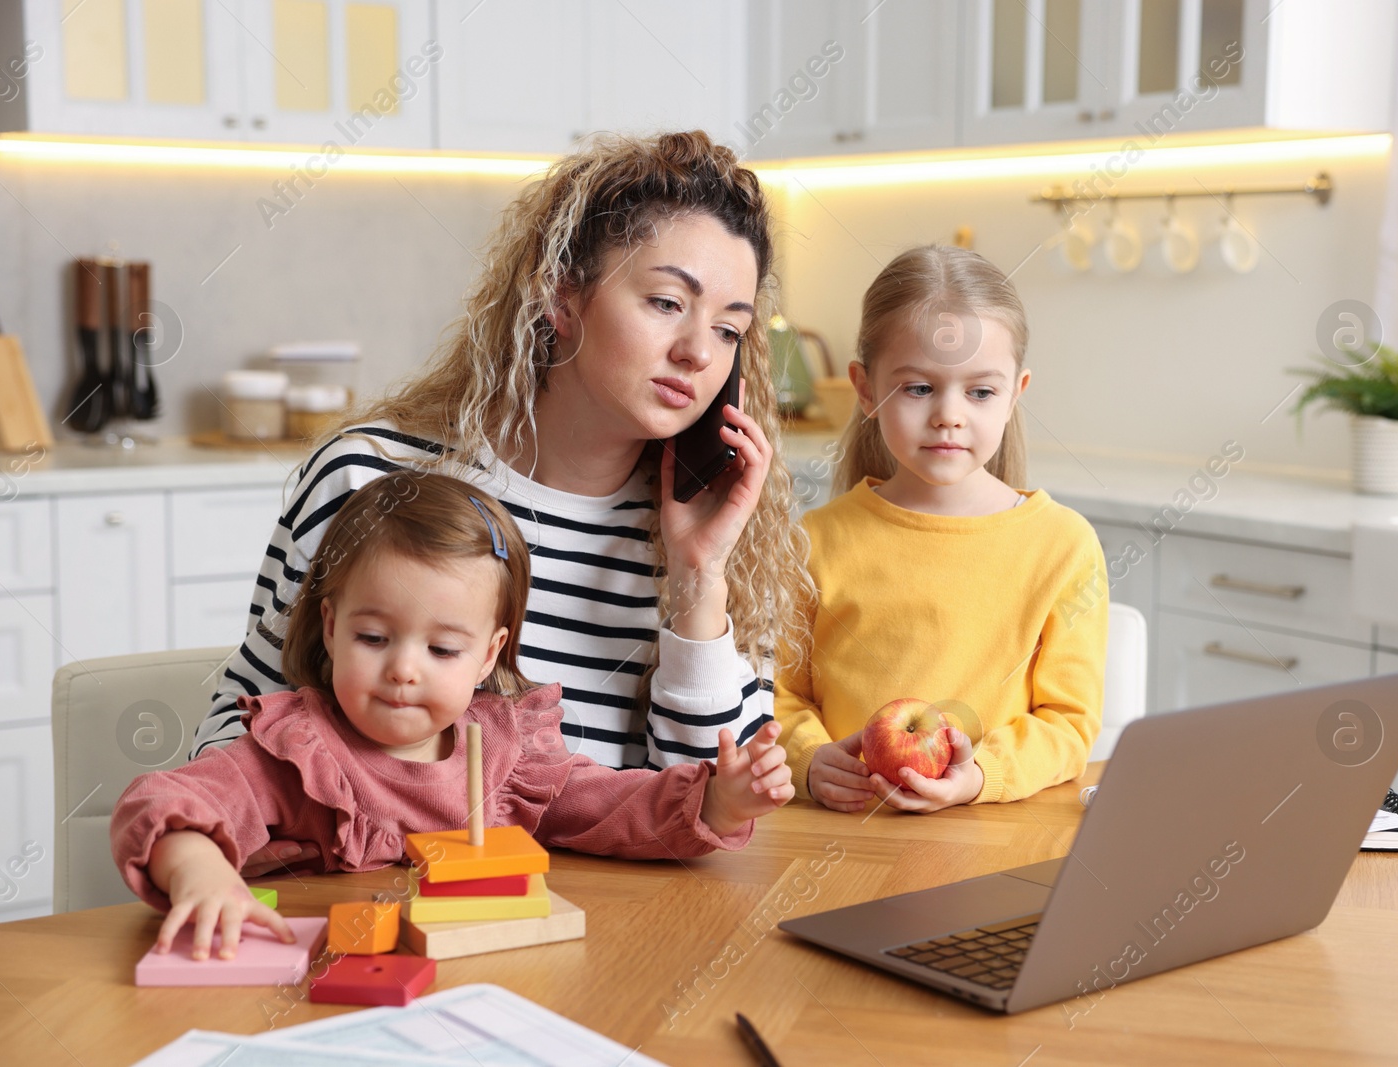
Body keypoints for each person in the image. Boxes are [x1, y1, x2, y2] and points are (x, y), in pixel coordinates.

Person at [191, 132, 815, 872]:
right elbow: (236, 743)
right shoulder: (371, 480)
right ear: (559, 295)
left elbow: (715, 813)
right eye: (666, 302)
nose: (697, 351)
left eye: (728, 329)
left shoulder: (723, 524)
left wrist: (699, 576)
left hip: (627, 932)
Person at [114, 473, 793, 960]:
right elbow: (167, 799)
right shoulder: (295, 750)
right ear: (330, 626)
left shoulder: (506, 754)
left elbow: (613, 806)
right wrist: (199, 869)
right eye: (373, 638)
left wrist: (719, 800)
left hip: (488, 985)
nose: (404, 669)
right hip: (323, 991)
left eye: (442, 648)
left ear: (489, 653)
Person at [775, 246, 1107, 814]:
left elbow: (1068, 723)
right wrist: (807, 757)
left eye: (980, 392)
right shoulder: (815, 540)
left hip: (988, 839)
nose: (949, 414)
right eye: (919, 388)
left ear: (1015, 395)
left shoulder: (1063, 546)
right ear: (865, 389)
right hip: (841, 837)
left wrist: (981, 776)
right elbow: (777, 695)